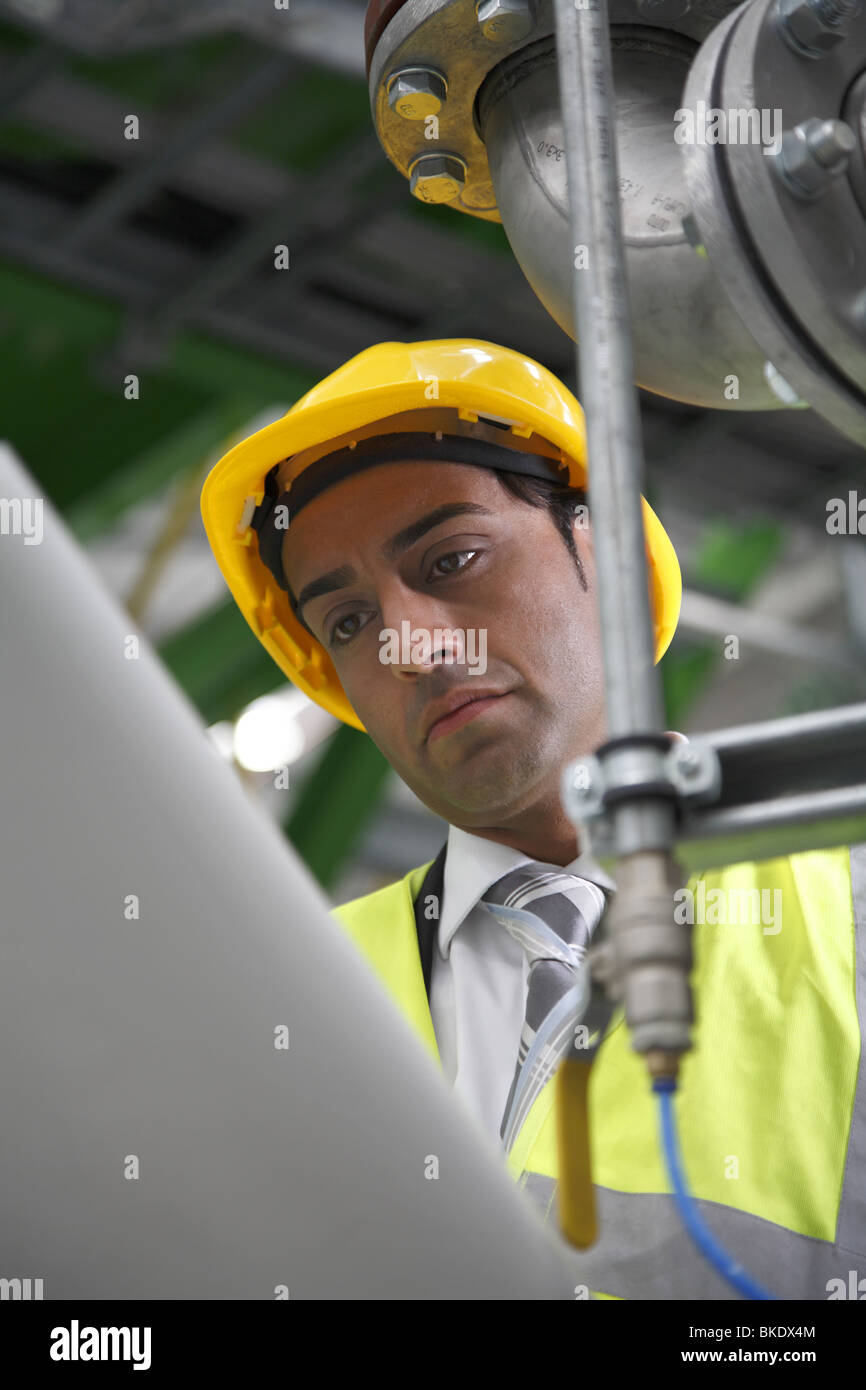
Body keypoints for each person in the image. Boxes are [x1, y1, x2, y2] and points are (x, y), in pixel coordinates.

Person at [201, 338, 866, 1299]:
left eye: (453, 558)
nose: (412, 647)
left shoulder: (848, 903)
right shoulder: (288, 994)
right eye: (346, 623)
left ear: (611, 558)